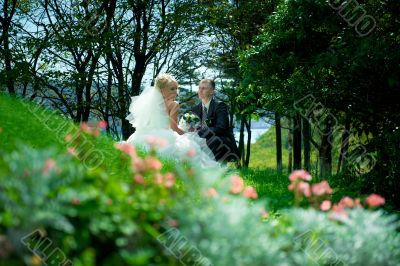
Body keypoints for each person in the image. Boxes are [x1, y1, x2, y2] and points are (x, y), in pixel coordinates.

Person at [125, 74, 218, 167]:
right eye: (172, 89)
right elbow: (173, 128)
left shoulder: (150, 105)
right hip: (165, 136)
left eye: (176, 88)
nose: (176, 92)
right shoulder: (174, 105)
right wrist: (185, 133)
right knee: (192, 142)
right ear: (162, 90)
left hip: (144, 135)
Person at [191, 79, 240, 163]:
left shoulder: (220, 105)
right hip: (199, 138)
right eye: (199, 88)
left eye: (204, 88)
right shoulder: (195, 109)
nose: (200, 90)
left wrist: (200, 132)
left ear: (212, 92)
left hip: (218, 139)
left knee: (214, 141)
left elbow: (220, 128)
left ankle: (217, 169)